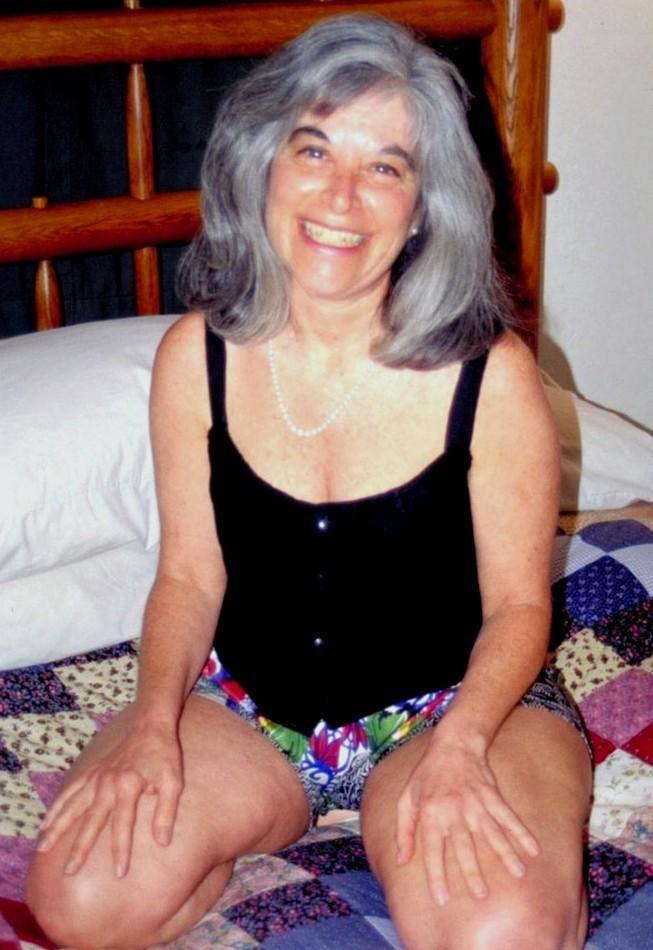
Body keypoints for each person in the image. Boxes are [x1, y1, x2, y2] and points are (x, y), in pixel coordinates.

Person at [27, 15, 591, 950]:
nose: (341, 195)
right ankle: (272, 815)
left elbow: (519, 608)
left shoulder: (488, 375)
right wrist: (154, 724)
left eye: (386, 166)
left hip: (449, 707)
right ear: (262, 164)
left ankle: (402, 808)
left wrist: (459, 750)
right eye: (314, 148)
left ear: (425, 206)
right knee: (80, 903)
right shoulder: (195, 358)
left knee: (503, 935)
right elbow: (188, 577)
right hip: (251, 713)